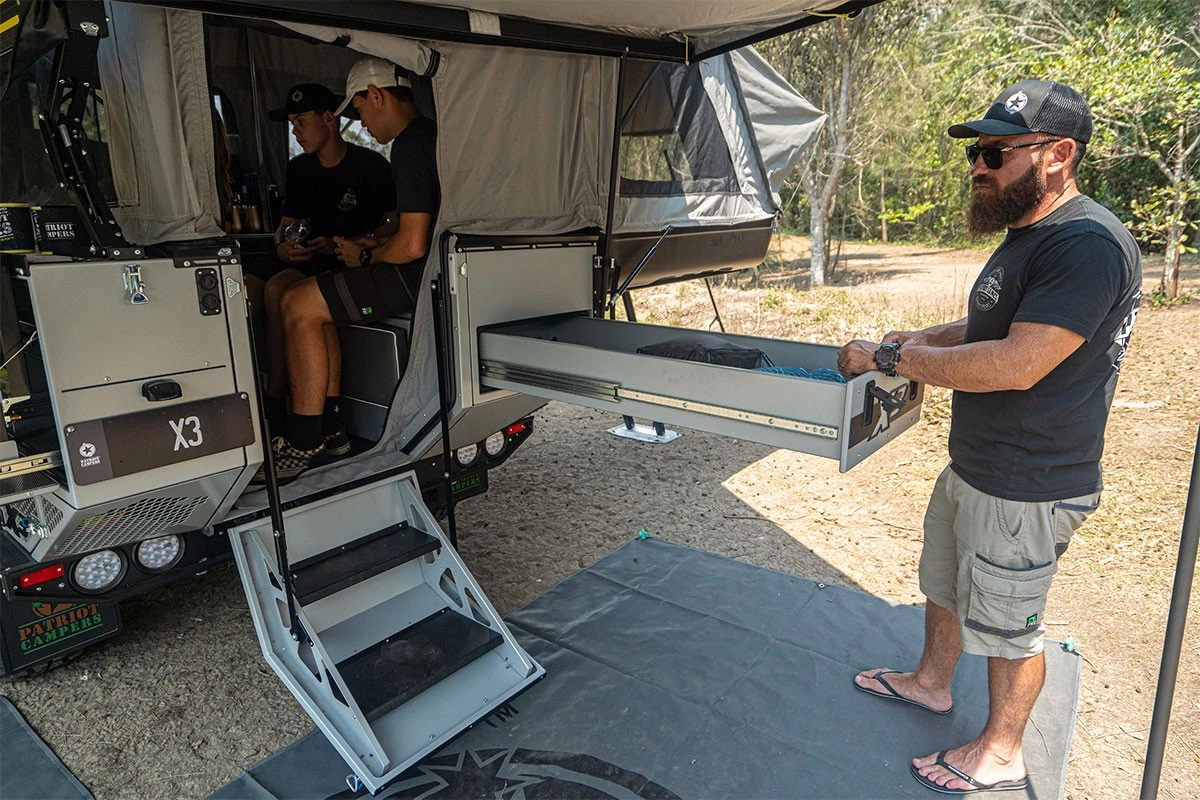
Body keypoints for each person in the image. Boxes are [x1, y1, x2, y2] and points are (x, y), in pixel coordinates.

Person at [837, 80, 1141, 794]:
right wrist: (920, 337)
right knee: (942, 582)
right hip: (979, 467)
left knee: (1009, 627)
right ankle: (930, 682)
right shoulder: (1032, 233)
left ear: (1059, 155)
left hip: (1027, 484)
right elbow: (991, 329)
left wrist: (890, 358)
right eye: (977, 152)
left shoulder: (1087, 244)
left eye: (996, 152)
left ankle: (1003, 750)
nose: (978, 165)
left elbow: (1015, 362)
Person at [266, 58, 438, 481]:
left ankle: (303, 439)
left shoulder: (409, 144)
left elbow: (413, 243)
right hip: (425, 265)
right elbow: (415, 226)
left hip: (416, 274)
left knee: (299, 305)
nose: (360, 121)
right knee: (302, 298)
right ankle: (332, 430)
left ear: (376, 96)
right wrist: (376, 242)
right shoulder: (429, 134)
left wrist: (365, 256)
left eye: (358, 109)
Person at [252, 83, 396, 471]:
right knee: (274, 289)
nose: (296, 133)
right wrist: (285, 247)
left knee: (299, 297)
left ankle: (318, 422)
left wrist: (355, 244)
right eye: (292, 125)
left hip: (352, 264)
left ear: (329, 120)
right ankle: (278, 403)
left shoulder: (370, 167)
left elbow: (395, 226)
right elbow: (286, 227)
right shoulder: (300, 168)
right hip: (310, 262)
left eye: (301, 122)